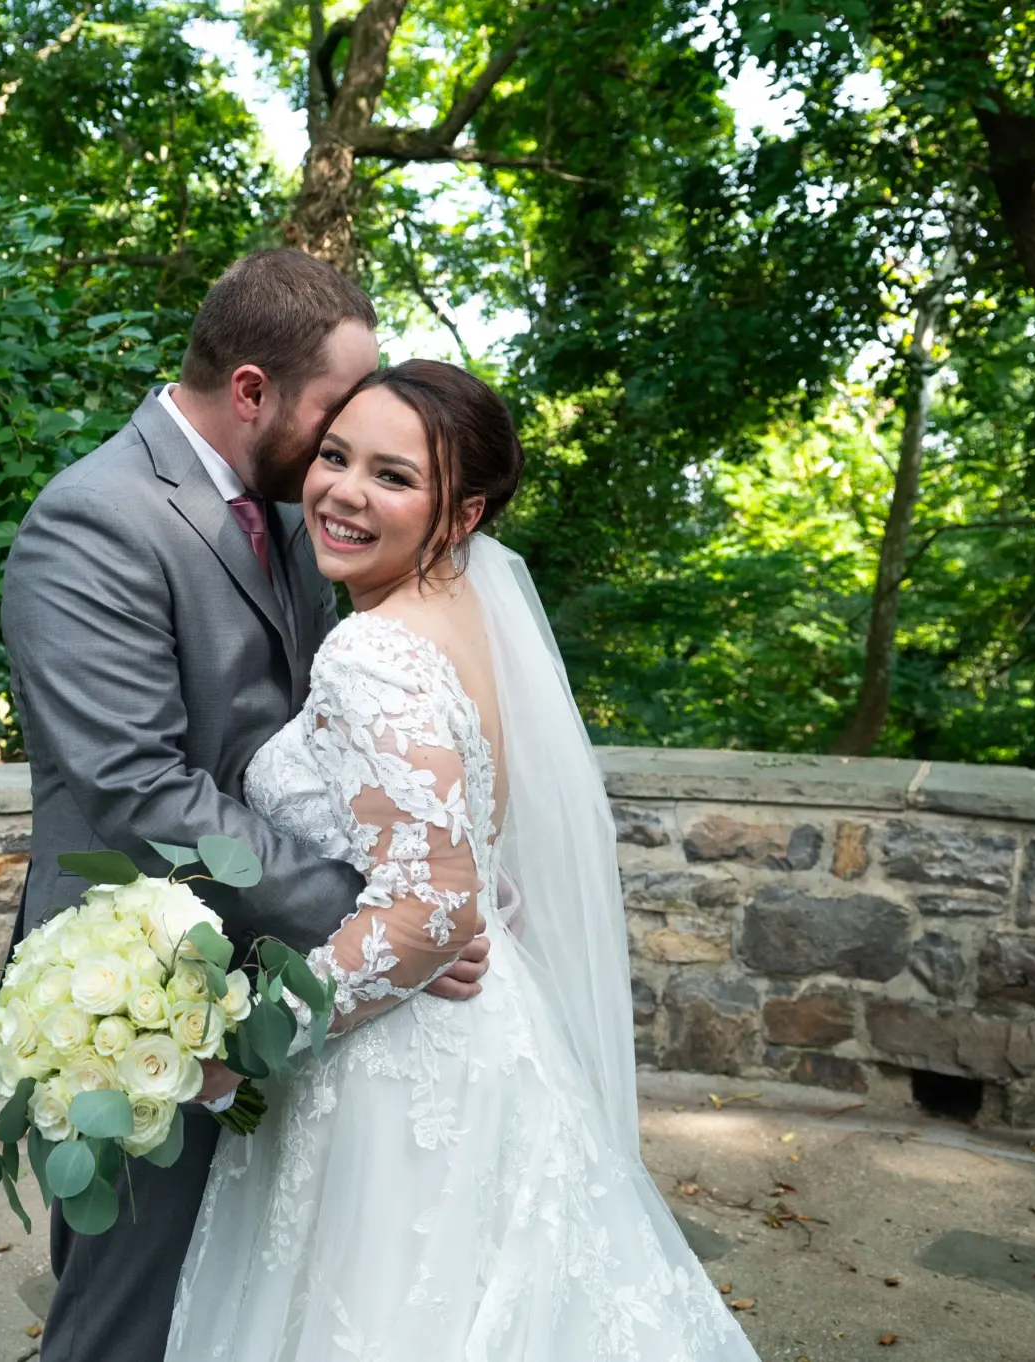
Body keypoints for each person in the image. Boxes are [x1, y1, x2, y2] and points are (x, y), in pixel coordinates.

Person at [164, 361, 759, 1361]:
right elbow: (459, 852)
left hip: (395, 1070)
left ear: (460, 511)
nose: (344, 491)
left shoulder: (371, 653)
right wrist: (469, 897)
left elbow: (430, 911)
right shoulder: (466, 621)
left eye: (393, 478)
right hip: (478, 1039)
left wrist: (246, 1047)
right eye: (336, 457)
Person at [1, 254, 493, 1362]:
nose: (346, 452)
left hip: (285, 1002)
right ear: (256, 392)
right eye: (335, 416)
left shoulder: (296, 522)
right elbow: (141, 788)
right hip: (141, 993)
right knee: (122, 1320)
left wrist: (420, 881)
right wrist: (379, 912)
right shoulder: (93, 520)